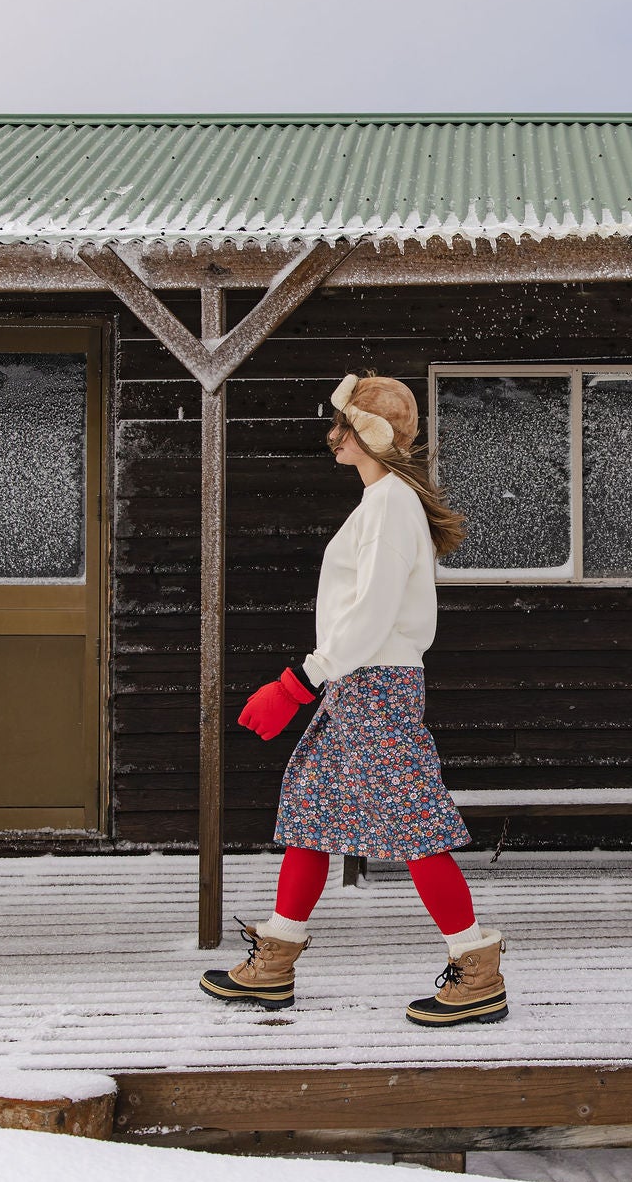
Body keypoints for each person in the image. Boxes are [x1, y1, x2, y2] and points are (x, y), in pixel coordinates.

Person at [199, 372, 508, 1026]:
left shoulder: (392, 502)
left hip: (374, 686)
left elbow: (370, 614)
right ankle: (274, 963)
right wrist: (322, 679)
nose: (332, 434)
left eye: (343, 423)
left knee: (415, 825)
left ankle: (476, 966)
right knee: (311, 809)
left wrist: (298, 681)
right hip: (355, 686)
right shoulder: (380, 501)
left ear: (370, 433)